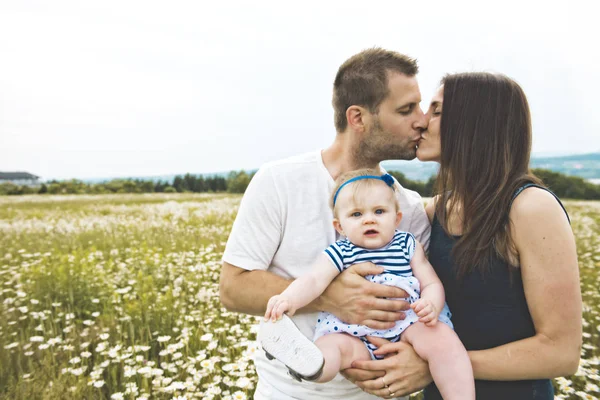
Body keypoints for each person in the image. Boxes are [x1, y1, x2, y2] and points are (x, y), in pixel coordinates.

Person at [344, 72, 582, 399]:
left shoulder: (530, 208)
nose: (423, 121)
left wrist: (441, 363)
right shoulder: (435, 210)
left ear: (475, 123)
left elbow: (561, 351)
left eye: (437, 111)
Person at [219, 47, 431, 399]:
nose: (421, 119)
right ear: (358, 118)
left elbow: (428, 301)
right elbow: (232, 289)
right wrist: (326, 296)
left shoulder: (407, 206)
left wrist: (420, 363)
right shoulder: (279, 181)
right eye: (406, 109)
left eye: (420, 107)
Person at [260, 168, 475, 400]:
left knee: (443, 341)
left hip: (409, 324)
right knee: (334, 349)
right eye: (356, 214)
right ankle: (306, 361)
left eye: (379, 211)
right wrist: (288, 299)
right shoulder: (340, 252)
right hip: (353, 332)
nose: (369, 219)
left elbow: (431, 281)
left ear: (397, 218)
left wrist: (431, 303)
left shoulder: (407, 245)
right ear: (340, 226)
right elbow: (313, 280)